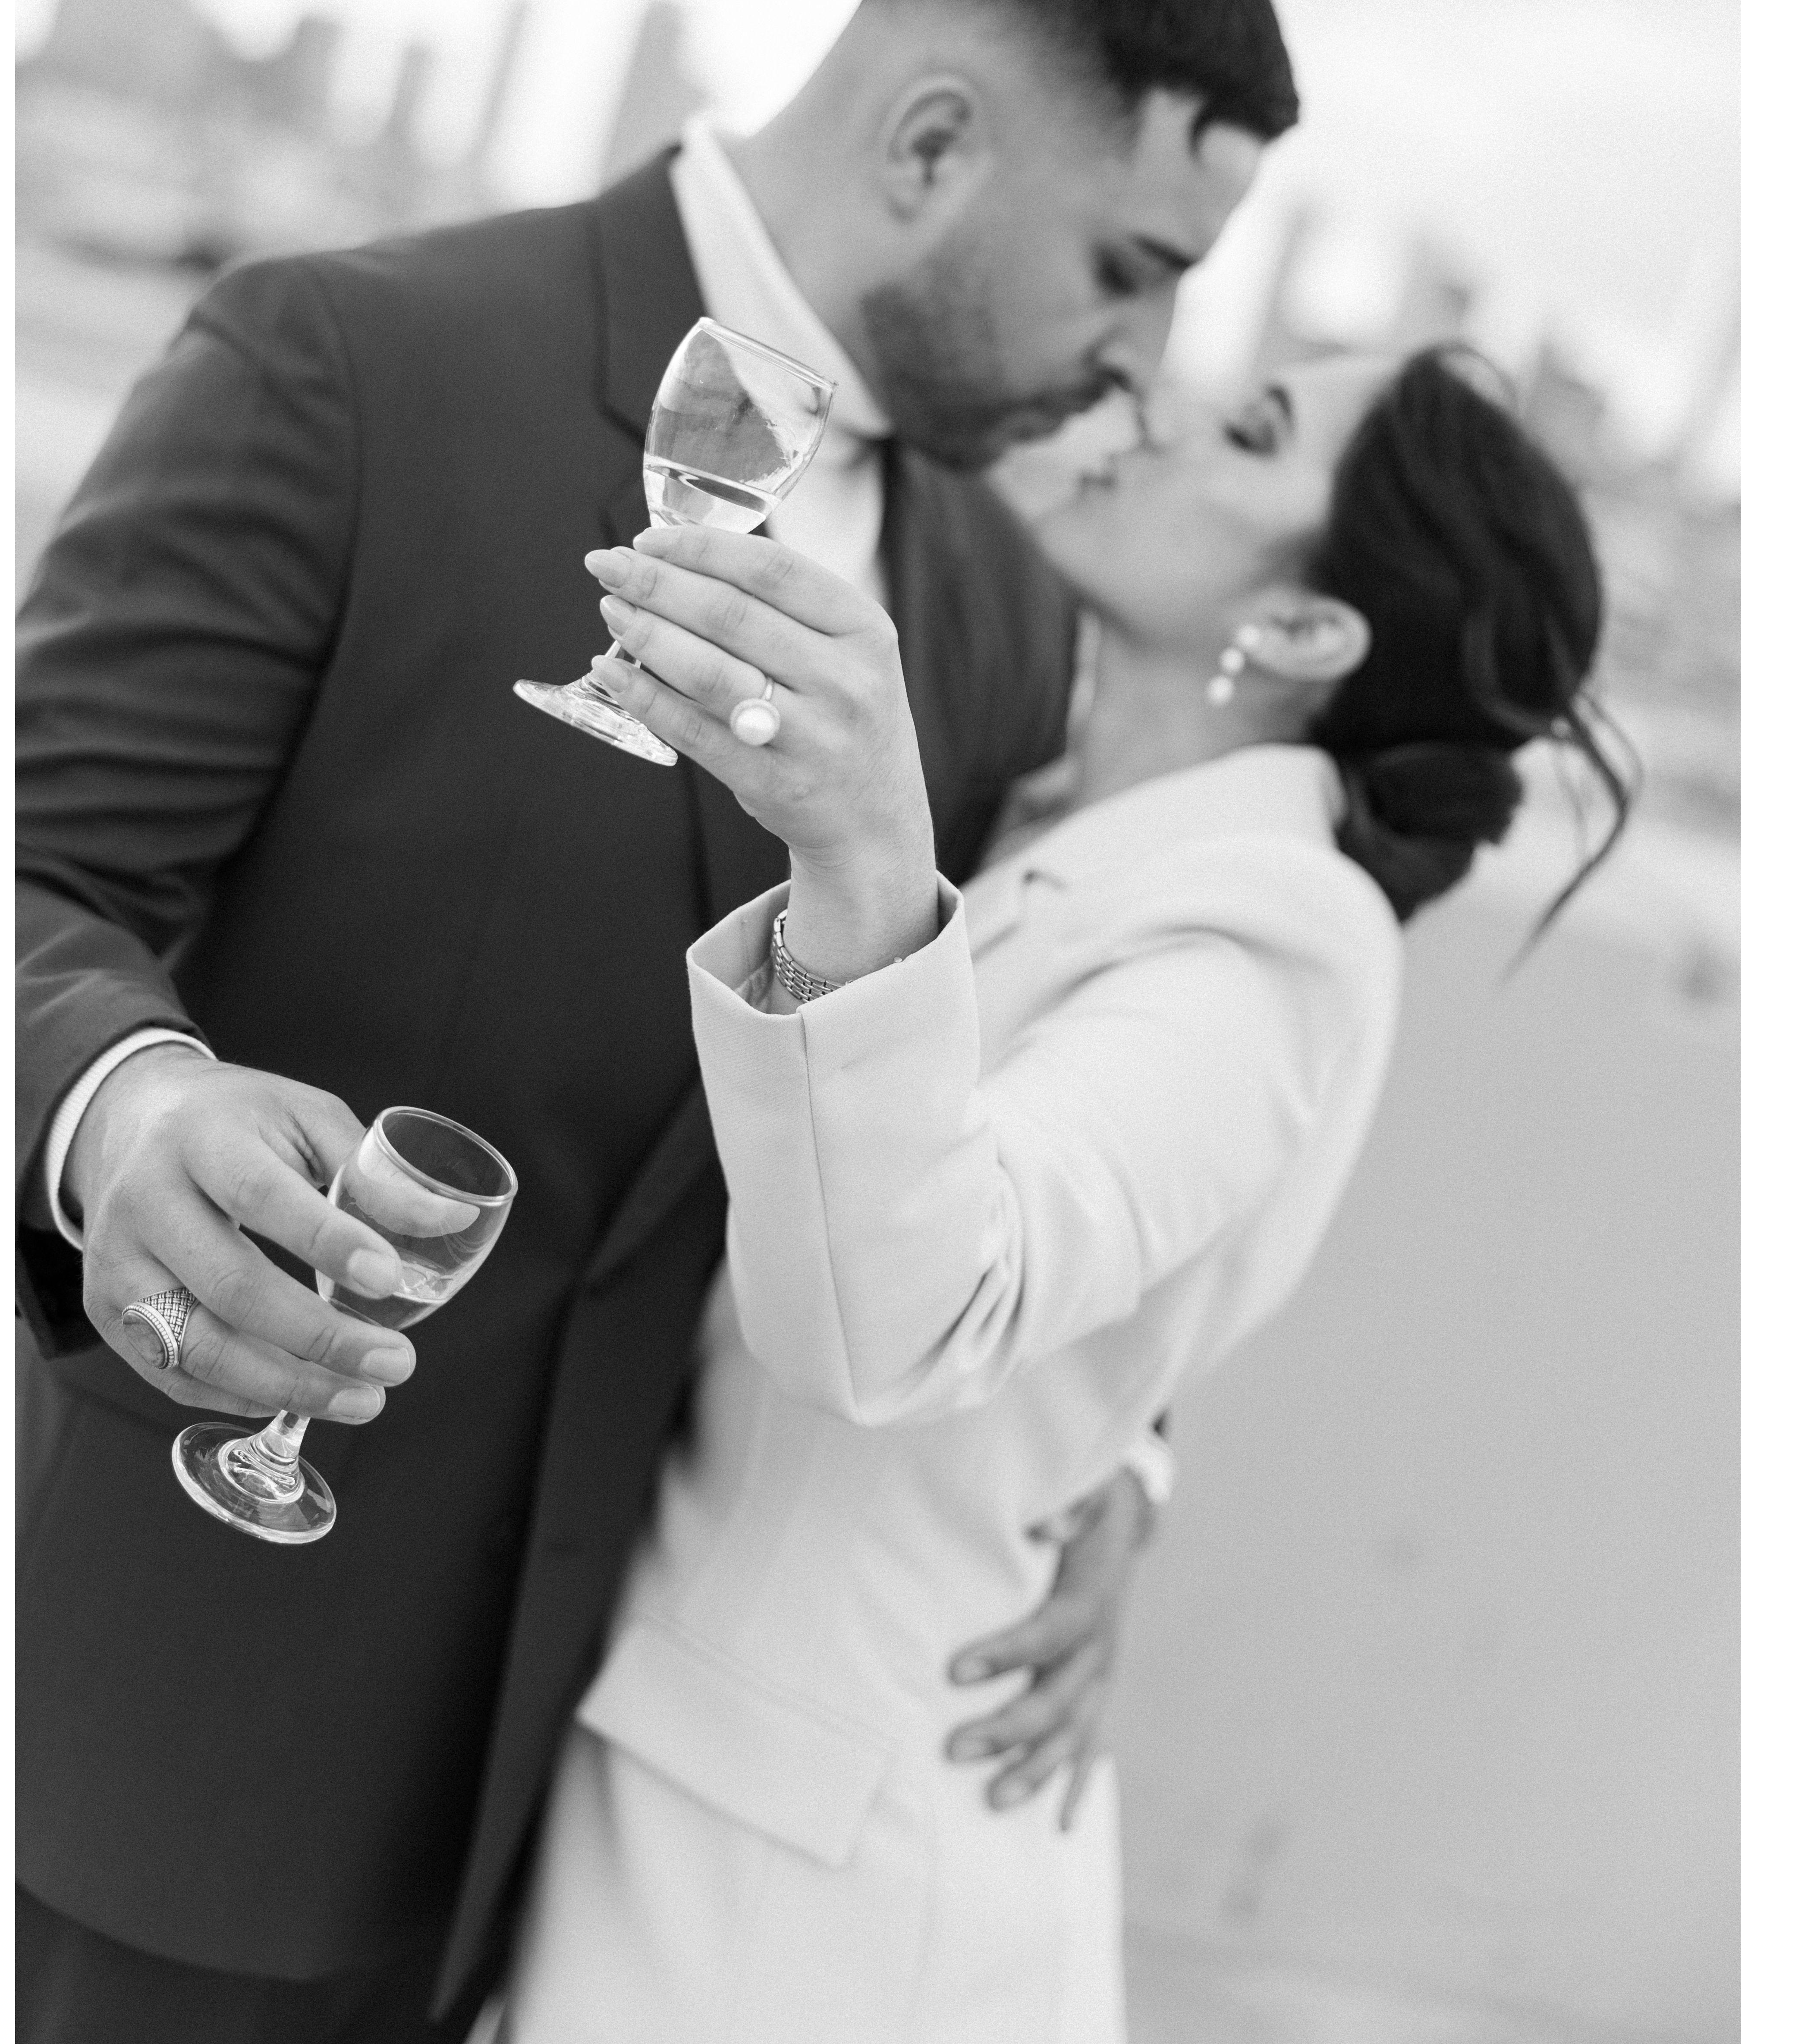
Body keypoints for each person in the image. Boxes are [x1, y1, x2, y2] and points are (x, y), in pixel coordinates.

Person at [16, 0, 1298, 2041]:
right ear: (930, 146)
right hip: (171, 1738)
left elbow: (975, 1102)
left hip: (596, 1838)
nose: (1143, 360)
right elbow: (19, 874)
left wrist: (1119, 1460)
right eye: (1132, 265)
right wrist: (123, 1111)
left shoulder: (1004, 619)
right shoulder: (356, 362)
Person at [497, 345, 1631, 2041]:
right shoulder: (1061, 802)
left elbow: (920, 1313)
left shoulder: (1280, 930)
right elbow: (1095, 1277)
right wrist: (1124, 1459)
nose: (1163, 398)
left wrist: (861, 863)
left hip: (810, 1901)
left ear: (1305, 629)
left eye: (1251, 430)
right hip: (704, 1780)